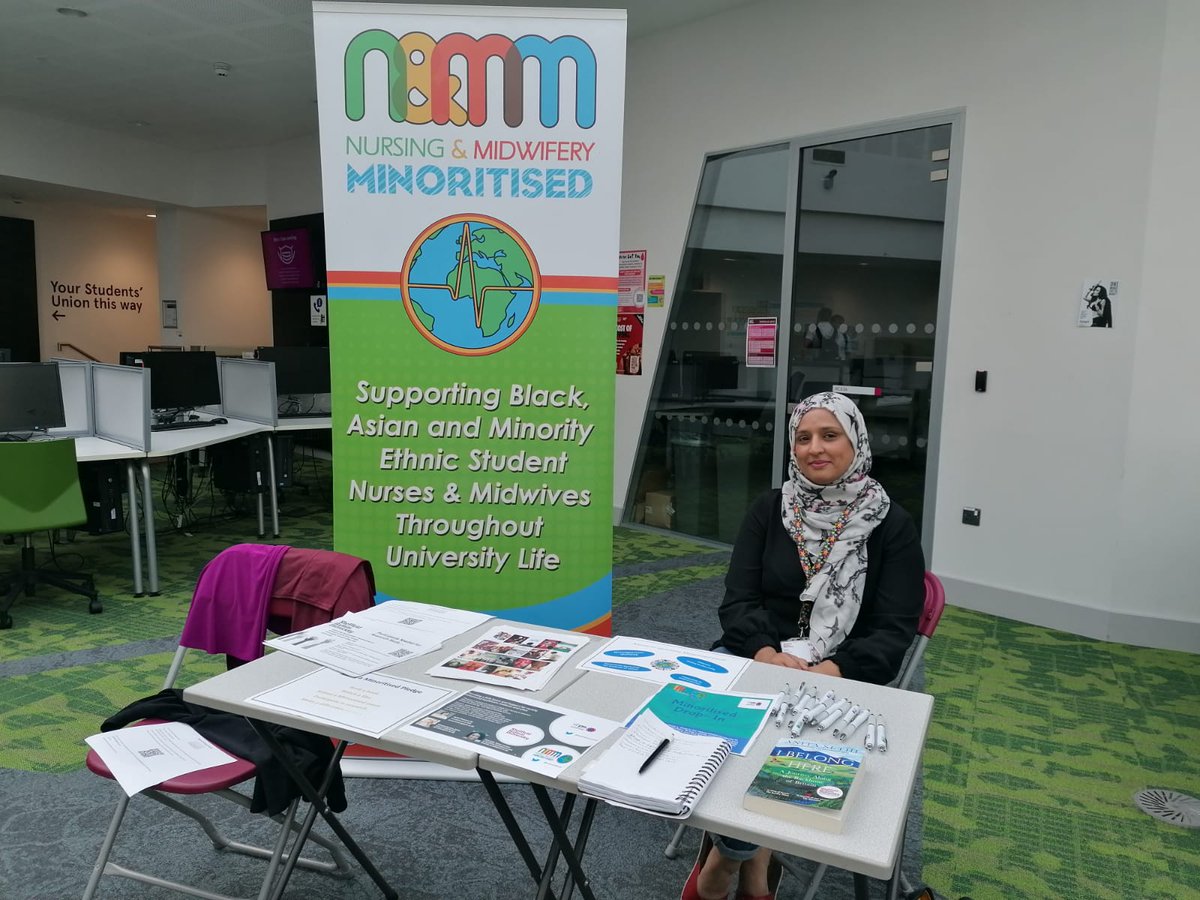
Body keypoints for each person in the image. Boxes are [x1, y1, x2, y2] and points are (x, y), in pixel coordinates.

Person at [680, 391, 925, 900]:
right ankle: (754, 858)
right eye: (804, 436)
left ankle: (728, 858)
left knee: (779, 743)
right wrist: (769, 655)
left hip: (843, 674)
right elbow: (738, 601)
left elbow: (892, 631)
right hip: (760, 655)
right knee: (709, 729)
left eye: (830, 435)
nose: (815, 448)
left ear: (855, 442)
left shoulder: (891, 524)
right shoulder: (769, 510)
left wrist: (827, 670)